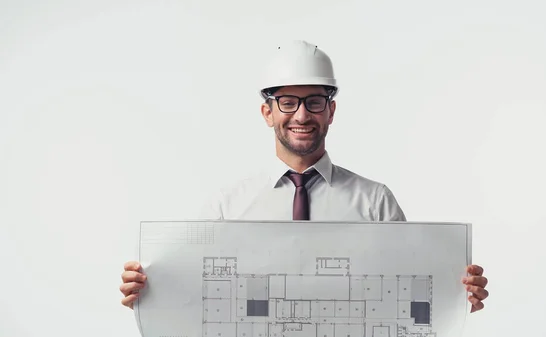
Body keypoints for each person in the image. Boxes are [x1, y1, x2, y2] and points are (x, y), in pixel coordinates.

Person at [119, 40, 489, 313]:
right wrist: (150, 289)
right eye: (288, 102)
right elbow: (195, 293)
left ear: (331, 111)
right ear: (267, 112)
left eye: (314, 101)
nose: (301, 115)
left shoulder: (375, 201)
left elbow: (407, 292)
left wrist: (456, 296)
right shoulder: (226, 205)